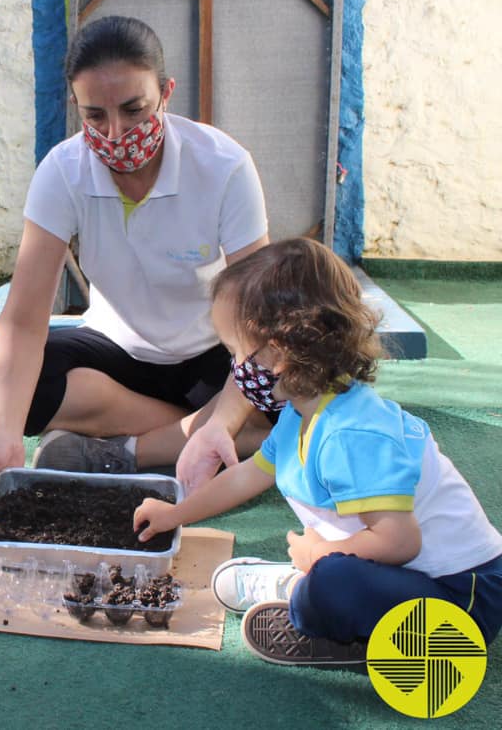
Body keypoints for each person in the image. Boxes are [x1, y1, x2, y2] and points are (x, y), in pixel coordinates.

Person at [133, 238, 502, 665]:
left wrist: (319, 554)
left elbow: (400, 541)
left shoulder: (353, 434)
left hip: (461, 599)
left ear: (281, 352)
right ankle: (313, 592)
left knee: (330, 584)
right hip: (407, 579)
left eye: (236, 352)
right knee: (330, 576)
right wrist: (174, 513)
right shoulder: (303, 409)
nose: (235, 369)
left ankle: (312, 601)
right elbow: (248, 474)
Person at [0, 15, 273, 505]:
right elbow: (23, 319)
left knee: (285, 381)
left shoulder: (224, 165)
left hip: (213, 356)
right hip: (119, 357)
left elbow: (259, 319)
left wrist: (229, 407)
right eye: (95, 116)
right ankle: (209, 434)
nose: (115, 134)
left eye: (134, 110)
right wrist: (4, 434)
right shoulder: (62, 172)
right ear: (76, 106)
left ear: (166, 92)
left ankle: (127, 450)